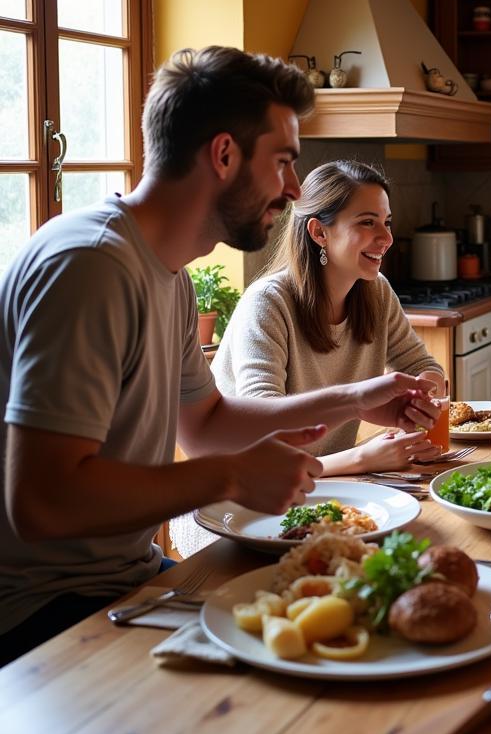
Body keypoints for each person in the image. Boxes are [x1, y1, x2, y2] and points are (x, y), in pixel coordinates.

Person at [0, 46, 437, 666]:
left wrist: (354, 397)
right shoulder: (90, 266)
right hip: (41, 611)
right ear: (224, 154)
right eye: (284, 162)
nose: (293, 188)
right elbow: (41, 501)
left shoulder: (168, 271)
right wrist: (232, 476)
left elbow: (203, 424)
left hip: (131, 577)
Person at [214, 159, 444, 475]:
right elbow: (267, 439)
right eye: (367, 222)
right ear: (319, 232)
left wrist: (419, 399)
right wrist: (362, 457)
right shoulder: (267, 304)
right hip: (244, 498)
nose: (386, 238)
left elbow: (425, 367)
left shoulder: (376, 291)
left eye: (386, 222)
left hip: (325, 486)